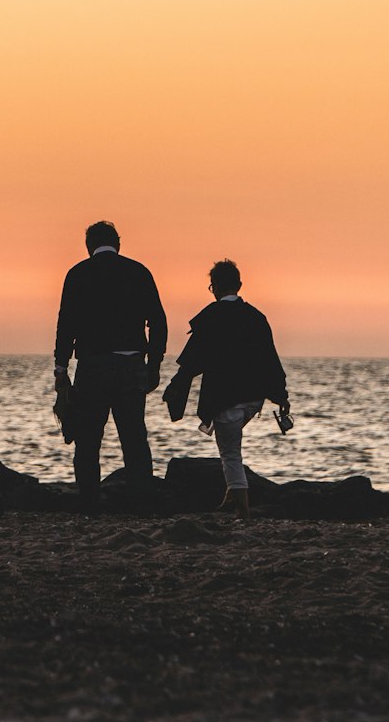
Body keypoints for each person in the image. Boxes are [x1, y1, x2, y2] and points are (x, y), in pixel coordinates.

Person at [54, 221, 167, 513]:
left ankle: (90, 503)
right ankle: (142, 503)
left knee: (88, 438)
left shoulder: (78, 274)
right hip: (131, 364)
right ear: (118, 243)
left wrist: (60, 367)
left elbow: (65, 324)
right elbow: (158, 321)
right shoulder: (138, 272)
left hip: (92, 365)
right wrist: (154, 364)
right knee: (134, 438)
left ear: (88, 245)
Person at [163, 259, 289, 519]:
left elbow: (191, 361)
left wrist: (176, 384)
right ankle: (230, 495)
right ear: (239, 285)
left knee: (230, 452)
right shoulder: (256, 318)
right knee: (230, 445)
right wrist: (281, 395)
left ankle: (242, 507)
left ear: (214, 287)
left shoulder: (210, 318)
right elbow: (270, 358)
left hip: (225, 397)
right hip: (254, 398)